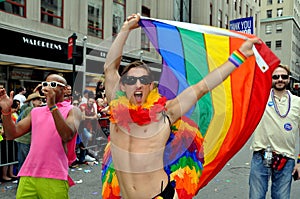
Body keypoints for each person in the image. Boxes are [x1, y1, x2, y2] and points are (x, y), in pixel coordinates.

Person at [102, 13, 261, 199]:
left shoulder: (166, 113)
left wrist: (239, 56)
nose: (137, 84)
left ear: (151, 86)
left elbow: (202, 87)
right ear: (123, 85)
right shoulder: (115, 107)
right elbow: (110, 69)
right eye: (131, 80)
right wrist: (124, 30)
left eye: (143, 80)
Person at [0, 74, 82, 198]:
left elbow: (67, 135)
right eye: (45, 84)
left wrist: (52, 106)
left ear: (65, 89)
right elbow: (12, 134)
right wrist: (6, 111)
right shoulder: (35, 111)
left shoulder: (73, 110)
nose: (48, 88)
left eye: (53, 85)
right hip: (28, 174)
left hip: (55, 175)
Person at [249, 64, 300, 199]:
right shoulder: (260, 98)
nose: (280, 79)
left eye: (283, 76)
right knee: (256, 196)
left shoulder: (297, 102)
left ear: (289, 79)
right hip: (261, 157)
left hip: (286, 160)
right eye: (276, 77)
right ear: (270, 79)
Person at [15, 92, 45, 175]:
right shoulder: (30, 110)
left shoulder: (27, 108)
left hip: (26, 139)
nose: (40, 102)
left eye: (41, 99)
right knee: (24, 162)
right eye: (38, 100)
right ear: (33, 101)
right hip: (25, 139)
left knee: (24, 161)